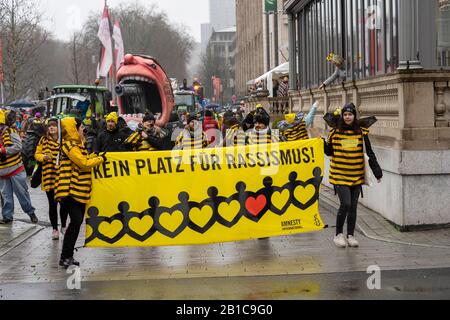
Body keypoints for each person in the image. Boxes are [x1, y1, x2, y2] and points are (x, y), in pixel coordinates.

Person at [323, 103, 383, 248]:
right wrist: (322, 143)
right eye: (345, 115)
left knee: (353, 207)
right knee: (346, 204)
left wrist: (377, 172)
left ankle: (350, 235)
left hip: (356, 175)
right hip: (340, 175)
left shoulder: (361, 132)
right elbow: (330, 152)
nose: (348, 117)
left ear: (354, 116)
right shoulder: (335, 132)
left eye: (350, 114)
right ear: (342, 117)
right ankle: (338, 235)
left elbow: (369, 152)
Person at [55, 117, 105, 268]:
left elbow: (84, 159)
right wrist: (100, 159)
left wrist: (95, 156)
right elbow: (83, 163)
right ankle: (65, 256)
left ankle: (67, 256)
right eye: (81, 127)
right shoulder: (70, 146)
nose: (83, 129)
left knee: (76, 223)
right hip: (71, 190)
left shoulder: (76, 144)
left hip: (78, 190)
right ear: (73, 129)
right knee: (76, 222)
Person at [0, 110, 38, 224]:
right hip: (2, 171)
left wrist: (3, 150)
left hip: (15, 168)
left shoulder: (10, 131)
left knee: (22, 193)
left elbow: (18, 146)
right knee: (5, 195)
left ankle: (31, 213)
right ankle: (7, 216)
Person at [34, 117, 68, 239]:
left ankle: (63, 225)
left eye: (54, 125)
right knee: (52, 204)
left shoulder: (64, 140)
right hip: (48, 176)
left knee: (64, 203)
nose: (51, 127)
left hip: (62, 176)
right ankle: (55, 229)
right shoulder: (43, 140)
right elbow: (37, 154)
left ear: (58, 128)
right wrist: (43, 157)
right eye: (49, 126)